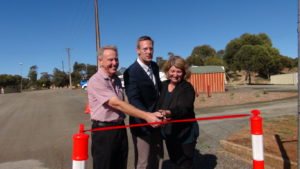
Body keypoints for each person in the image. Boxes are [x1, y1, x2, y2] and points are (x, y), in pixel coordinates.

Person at [87, 45, 163, 169]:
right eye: (110, 60)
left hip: (120, 128)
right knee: (105, 165)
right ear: (100, 61)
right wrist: (147, 116)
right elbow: (117, 103)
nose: (114, 63)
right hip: (104, 132)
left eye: (116, 59)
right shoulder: (96, 80)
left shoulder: (116, 79)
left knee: (121, 164)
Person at [124, 35, 163, 169]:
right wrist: (148, 116)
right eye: (145, 49)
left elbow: (158, 89)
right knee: (143, 162)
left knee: (157, 156)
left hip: (157, 121)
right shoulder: (131, 72)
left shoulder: (154, 66)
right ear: (138, 50)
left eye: (151, 48)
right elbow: (133, 99)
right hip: (141, 124)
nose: (149, 52)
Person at [156, 56, 199, 169]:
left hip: (185, 133)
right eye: (172, 71)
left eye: (179, 71)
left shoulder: (187, 87)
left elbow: (185, 107)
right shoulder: (163, 86)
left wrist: (169, 112)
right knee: (174, 161)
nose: (175, 74)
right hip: (170, 133)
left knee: (185, 164)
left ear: (184, 72)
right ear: (167, 71)